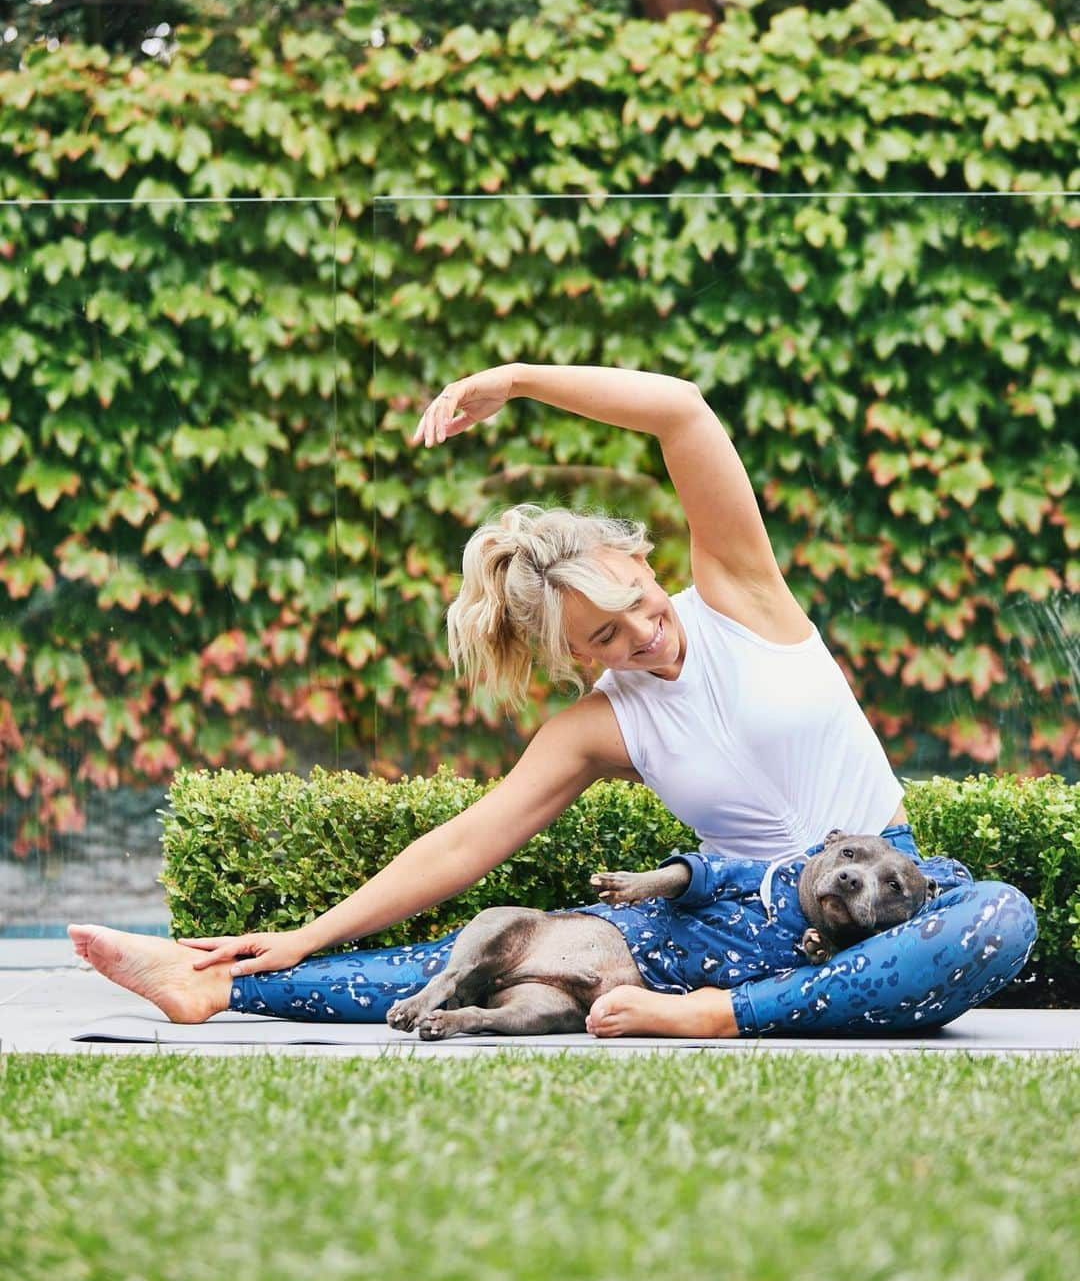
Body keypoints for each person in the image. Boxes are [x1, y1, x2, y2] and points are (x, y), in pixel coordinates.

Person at [70, 365, 1036, 1037]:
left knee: (995, 922)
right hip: (727, 931)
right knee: (501, 949)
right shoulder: (597, 725)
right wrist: (302, 938)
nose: (640, 635)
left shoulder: (745, 593)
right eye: (603, 639)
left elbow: (682, 412)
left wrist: (521, 379)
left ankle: (719, 1021)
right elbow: (463, 844)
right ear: (571, 661)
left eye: (635, 603)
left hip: (878, 893)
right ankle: (213, 990)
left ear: (639, 558)